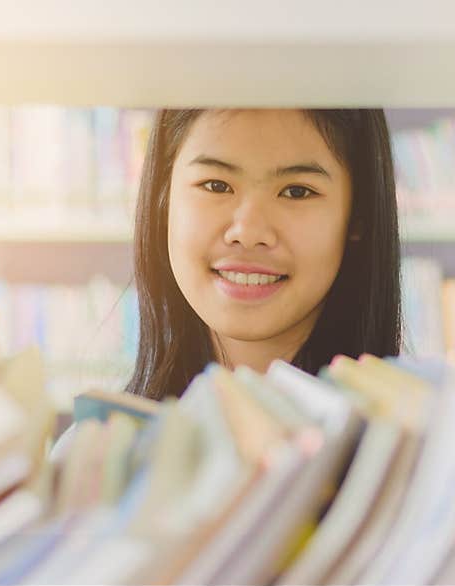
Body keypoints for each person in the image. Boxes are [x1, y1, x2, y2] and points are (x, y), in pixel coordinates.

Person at [125, 108, 402, 401]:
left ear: (358, 215)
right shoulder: (97, 442)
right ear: (163, 198)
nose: (248, 233)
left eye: (297, 192)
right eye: (216, 185)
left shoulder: (428, 441)